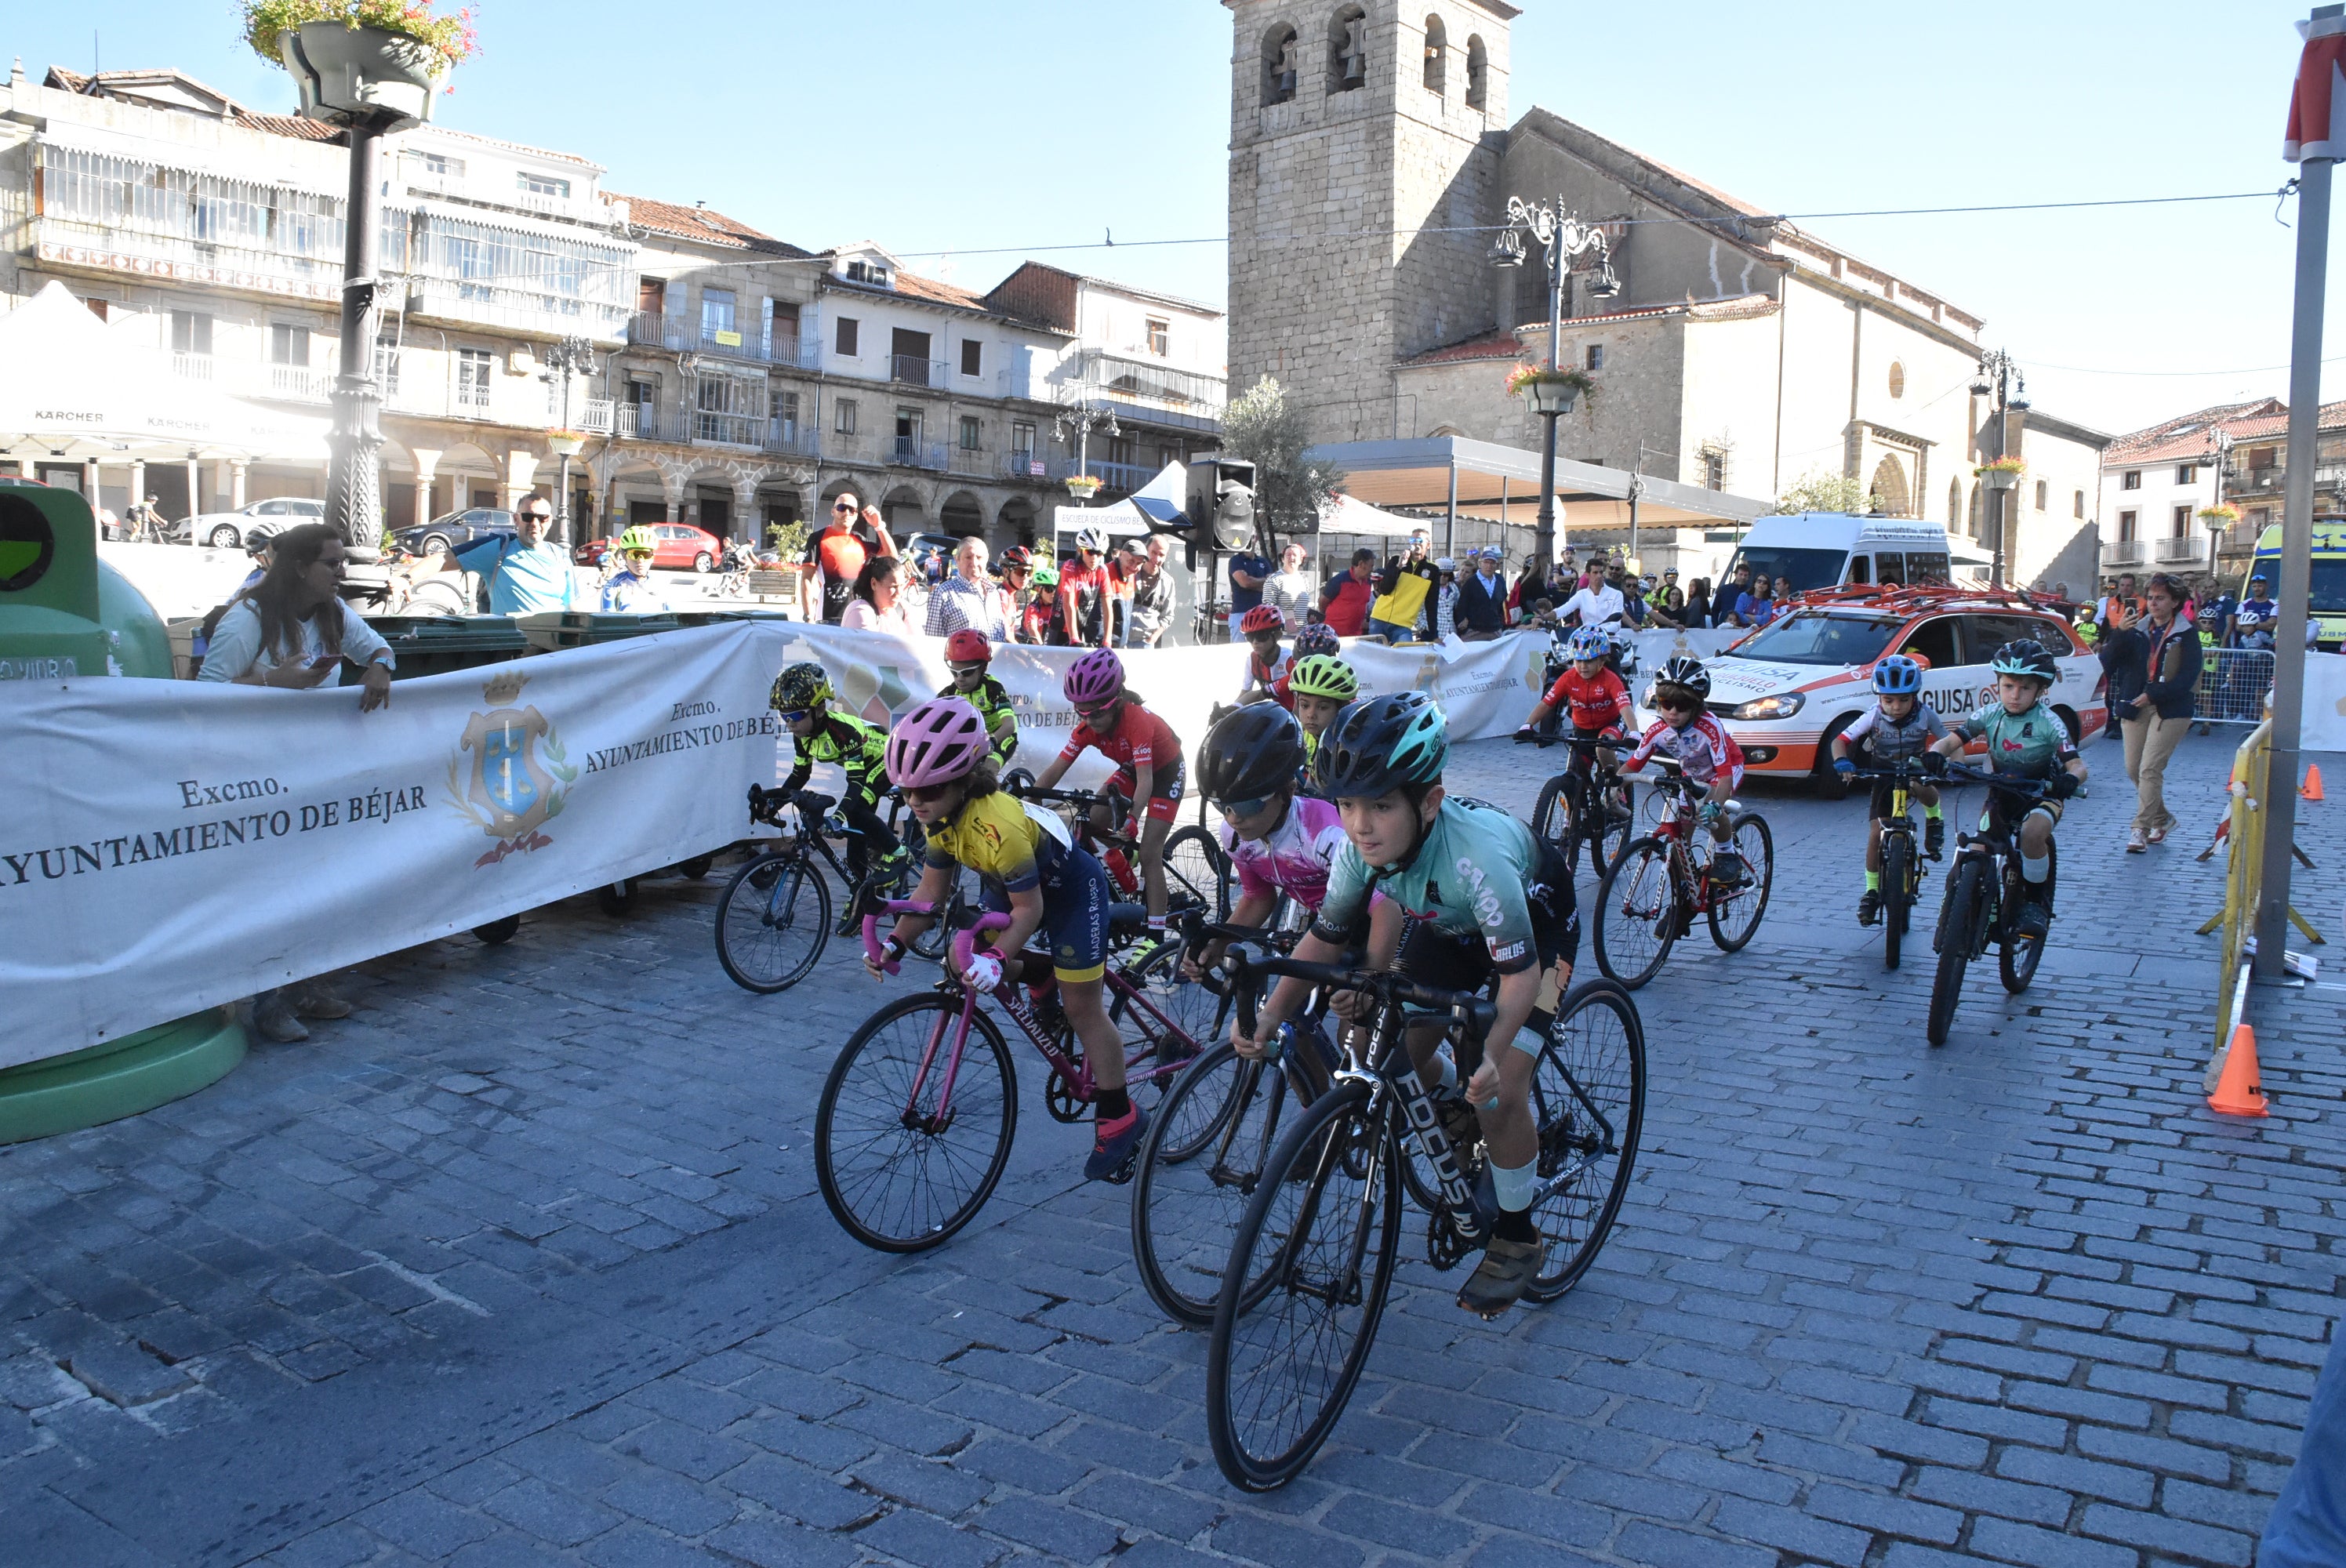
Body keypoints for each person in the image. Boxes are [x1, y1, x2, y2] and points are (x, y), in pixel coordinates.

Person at [1237, 692, 1581, 1318]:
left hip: (1533, 938)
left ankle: (1517, 1232)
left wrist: (1492, 1057)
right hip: (1450, 931)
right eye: (1346, 805)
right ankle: (1450, 1107)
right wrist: (1271, 1013)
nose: (1360, 824)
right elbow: (1323, 937)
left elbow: (1520, 975)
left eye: (1381, 806)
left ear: (1430, 802)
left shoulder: (1476, 858)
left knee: (1501, 1088)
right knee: (1392, 1055)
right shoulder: (1358, 850)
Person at [875, 699, 1146, 1181]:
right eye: (907, 789)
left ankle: (1119, 1115)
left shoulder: (997, 828)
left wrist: (1000, 955)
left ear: (963, 780)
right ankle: (1039, 973)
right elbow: (930, 893)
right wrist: (894, 943)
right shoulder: (941, 818)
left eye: (929, 789)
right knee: (963, 961)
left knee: (1082, 1007)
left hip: (1069, 895)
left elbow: (1031, 911)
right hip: (1012, 884)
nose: (916, 801)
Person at [197, 523, 395, 1045]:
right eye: (332, 563)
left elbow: (377, 648)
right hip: (254, 778)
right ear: (302, 567)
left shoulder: (332, 612)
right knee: (269, 889)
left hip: (314, 773)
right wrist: (270, 682)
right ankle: (268, 1004)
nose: (342, 570)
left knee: (316, 885)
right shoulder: (249, 617)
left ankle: (307, 987)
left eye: (341, 561)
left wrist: (378, 668)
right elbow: (203, 695)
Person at [1186, 703, 1401, 999]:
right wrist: (1219, 942)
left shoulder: (1324, 837)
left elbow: (1386, 909)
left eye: (1247, 804)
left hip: (1385, 919)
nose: (1234, 818)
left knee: (1355, 1033)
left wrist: (1369, 981)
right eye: (1222, 806)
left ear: (1287, 790)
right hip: (1331, 920)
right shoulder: (1235, 835)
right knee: (1298, 1025)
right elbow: (1258, 898)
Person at [1928, 641, 2086, 937]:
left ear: (2041, 690)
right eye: (2009, 686)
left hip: (2042, 794)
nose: (2015, 695)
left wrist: (2071, 779)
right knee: (1976, 848)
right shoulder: (1989, 714)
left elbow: (2078, 765)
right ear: (1998, 684)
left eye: (2025, 688)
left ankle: (2035, 902)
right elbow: (1951, 740)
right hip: (2001, 792)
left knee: (2032, 834)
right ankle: (1968, 907)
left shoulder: (2050, 722)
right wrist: (1936, 753)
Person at [1028, 648, 1185, 944]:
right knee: (1092, 822)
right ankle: (1125, 855)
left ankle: (1155, 936)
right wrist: (1028, 804)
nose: (1090, 719)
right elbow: (1054, 771)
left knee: (1151, 853)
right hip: (1133, 770)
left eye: (1097, 712)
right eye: (1081, 711)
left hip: (1165, 772)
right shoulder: (1086, 728)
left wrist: (1134, 819)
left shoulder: (1137, 721)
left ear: (1118, 701)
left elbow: (1147, 781)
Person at [771, 662, 907, 934]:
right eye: (783, 715)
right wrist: (775, 801)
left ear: (820, 709)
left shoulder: (843, 732)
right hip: (864, 767)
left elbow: (855, 783)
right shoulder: (803, 733)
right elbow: (800, 774)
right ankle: (861, 896)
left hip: (888, 758)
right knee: (855, 833)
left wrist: (838, 816)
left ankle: (898, 852)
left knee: (857, 809)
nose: (790, 723)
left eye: (796, 714)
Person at [1829, 655, 1948, 926]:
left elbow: (1950, 741)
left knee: (1923, 784)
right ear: (1879, 697)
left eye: (1904, 700)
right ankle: (1871, 891)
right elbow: (1840, 740)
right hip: (1883, 773)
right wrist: (1842, 760)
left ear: (1915, 697)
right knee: (1875, 833)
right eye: (1888, 700)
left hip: (1915, 767)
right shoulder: (1873, 716)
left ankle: (1935, 819)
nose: (1896, 707)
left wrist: (1952, 764)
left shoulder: (1926, 714)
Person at [1622, 655, 1749, 887]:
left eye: (1682, 706)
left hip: (1726, 769)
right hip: (1692, 775)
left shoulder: (1710, 727)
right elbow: (1633, 765)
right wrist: (1611, 785)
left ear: (1696, 707)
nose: (1672, 712)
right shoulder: (1657, 730)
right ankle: (1685, 892)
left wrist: (1716, 805)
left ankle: (1726, 852)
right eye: (1666, 703)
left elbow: (1725, 778)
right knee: (1682, 834)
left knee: (1708, 804)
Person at [2103, 572, 2201, 853]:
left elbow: (2188, 677)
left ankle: (2139, 829)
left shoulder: (2187, 633)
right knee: (2134, 768)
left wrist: (2153, 694)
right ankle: (2163, 819)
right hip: (2135, 705)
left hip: (2171, 708)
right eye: (2152, 598)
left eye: (2161, 598)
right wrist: (2120, 632)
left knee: (2150, 768)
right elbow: (2109, 662)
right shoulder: (2137, 629)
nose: (2154, 603)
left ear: (2175, 602)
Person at [418, 495, 576, 615]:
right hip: (516, 648)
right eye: (528, 517)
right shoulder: (499, 548)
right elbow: (444, 558)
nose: (535, 523)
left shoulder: (559, 556)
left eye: (542, 518)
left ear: (549, 521)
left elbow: (572, 605)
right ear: (516, 519)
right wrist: (406, 579)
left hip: (553, 649)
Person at [1519, 626, 1631, 779]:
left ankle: (1617, 788)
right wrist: (1527, 725)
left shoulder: (1610, 679)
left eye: (1589, 661)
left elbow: (1624, 707)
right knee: (1578, 774)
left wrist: (1635, 733)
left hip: (1610, 723)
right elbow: (1546, 704)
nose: (1583, 666)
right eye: (1578, 660)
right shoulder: (1568, 677)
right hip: (1582, 728)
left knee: (1603, 749)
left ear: (1602, 660)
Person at [939, 628, 1019, 768]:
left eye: (967, 673)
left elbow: (1009, 725)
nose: (960, 679)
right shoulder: (951, 692)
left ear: (983, 668)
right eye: (954, 672)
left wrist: (991, 742)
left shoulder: (992, 688)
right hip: (974, 741)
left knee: (987, 770)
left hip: (1000, 736)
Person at [813, 495, 897, 625]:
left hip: (856, 615)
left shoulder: (860, 541)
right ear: (833, 511)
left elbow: (891, 558)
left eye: (851, 510)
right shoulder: (819, 538)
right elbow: (806, 578)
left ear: (856, 515)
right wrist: (807, 614)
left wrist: (879, 526)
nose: (846, 513)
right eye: (842, 508)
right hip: (828, 618)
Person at [1287, 649, 1358, 784]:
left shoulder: (1352, 744)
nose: (1311, 715)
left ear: (1341, 708)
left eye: (1323, 707)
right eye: (1304, 705)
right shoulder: (1298, 735)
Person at [924, 535, 1013, 640]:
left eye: (979, 557)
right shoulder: (943, 594)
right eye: (968, 557)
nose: (974, 563)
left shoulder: (993, 594)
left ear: (987, 559)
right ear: (957, 560)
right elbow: (932, 642)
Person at [1367, 528, 1440, 643]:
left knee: (1404, 657)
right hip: (1380, 618)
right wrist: (1399, 567)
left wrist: (1434, 635)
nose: (1415, 544)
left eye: (1419, 541)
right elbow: (1385, 590)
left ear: (1428, 545)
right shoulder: (1396, 560)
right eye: (1412, 540)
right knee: (1377, 658)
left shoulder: (1433, 570)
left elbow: (1432, 605)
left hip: (1403, 624)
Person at [1057, 526, 1116, 648]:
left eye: (1099, 553)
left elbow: (1107, 608)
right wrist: (1073, 638)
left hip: (1081, 623)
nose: (1094, 558)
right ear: (1080, 550)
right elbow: (1069, 604)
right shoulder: (1070, 567)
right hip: (1061, 625)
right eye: (1090, 552)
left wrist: (1107, 641)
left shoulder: (1102, 571)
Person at [1234, 604, 1295, 709]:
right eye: (1250, 637)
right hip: (1280, 710)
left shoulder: (1290, 659)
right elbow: (1244, 693)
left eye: (1261, 636)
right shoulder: (1252, 660)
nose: (1255, 642)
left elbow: (1303, 697)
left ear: (1277, 636)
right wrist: (1228, 711)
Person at [840, 554, 916, 635]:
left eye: (902, 585)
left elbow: (919, 642)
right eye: (893, 587)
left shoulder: (904, 608)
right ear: (874, 584)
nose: (899, 592)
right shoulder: (860, 610)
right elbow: (870, 646)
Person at [598, 527, 668, 613]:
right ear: (624, 556)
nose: (640, 560)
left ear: (652, 558)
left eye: (646, 555)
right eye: (634, 554)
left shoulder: (661, 585)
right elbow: (607, 622)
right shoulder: (612, 587)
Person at [1124, 534, 1176, 648]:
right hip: (1121, 639)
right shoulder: (1130, 573)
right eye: (1154, 553)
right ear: (1146, 551)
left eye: (1161, 555)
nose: (1157, 559)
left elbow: (1168, 615)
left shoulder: (1168, 582)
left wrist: (1154, 637)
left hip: (1145, 643)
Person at [1317, 548, 1378, 637]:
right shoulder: (1340, 580)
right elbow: (1322, 602)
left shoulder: (1368, 582)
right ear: (1361, 564)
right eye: (1371, 566)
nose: (1372, 569)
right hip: (1333, 635)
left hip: (1355, 636)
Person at [1454, 546, 1509, 641]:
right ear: (1480, 564)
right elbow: (1462, 605)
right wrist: (1463, 622)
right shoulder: (1471, 582)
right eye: (1486, 562)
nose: (1489, 566)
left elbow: (1503, 604)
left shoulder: (1500, 580)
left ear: (1497, 565)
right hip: (1474, 631)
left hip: (1495, 630)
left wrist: (1501, 624)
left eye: (1492, 563)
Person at [1266, 542, 1317, 630]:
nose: (1292, 558)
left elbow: (1302, 606)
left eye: (1295, 555)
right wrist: (1289, 625)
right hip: (1284, 632)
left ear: (1300, 560)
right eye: (1288, 555)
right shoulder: (1274, 579)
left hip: (1303, 631)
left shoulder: (1304, 580)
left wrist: (1311, 619)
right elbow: (1268, 609)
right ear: (1283, 559)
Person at [1556, 566, 1625, 630]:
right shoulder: (1581, 594)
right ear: (1587, 575)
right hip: (1587, 637)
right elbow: (1564, 609)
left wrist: (1600, 631)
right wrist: (1547, 616)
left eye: (1601, 572)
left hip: (1610, 638)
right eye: (1595, 573)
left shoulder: (1617, 594)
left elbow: (1616, 623)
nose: (1599, 575)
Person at [1227, 539, 1275, 622]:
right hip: (1241, 613)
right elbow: (1245, 583)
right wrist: (1264, 581)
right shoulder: (1236, 560)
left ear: (1255, 539)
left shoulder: (1263, 561)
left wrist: (1252, 582)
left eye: (1251, 538)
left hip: (1262, 613)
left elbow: (1272, 585)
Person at [1016, 555, 1056, 645]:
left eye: (1056, 589)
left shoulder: (1058, 607)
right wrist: (1043, 650)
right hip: (1032, 649)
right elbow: (1032, 630)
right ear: (1038, 589)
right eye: (1049, 589)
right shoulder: (1033, 608)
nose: (1053, 593)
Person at [1709, 562, 1752, 629]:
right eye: (1741, 574)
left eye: (1745, 575)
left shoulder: (1751, 592)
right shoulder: (1723, 590)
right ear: (1735, 574)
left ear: (1748, 577)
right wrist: (1716, 626)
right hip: (1724, 627)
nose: (1743, 577)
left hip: (1743, 629)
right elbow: (1715, 610)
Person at [1431, 557, 1460, 639]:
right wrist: (1424, 626)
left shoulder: (1454, 588)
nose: (1443, 577)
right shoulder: (1429, 588)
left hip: (1451, 631)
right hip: (1435, 631)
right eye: (1440, 574)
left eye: (1446, 575)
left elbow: (1459, 605)